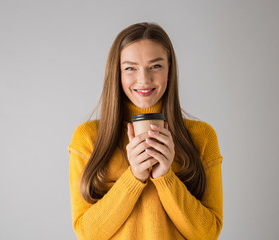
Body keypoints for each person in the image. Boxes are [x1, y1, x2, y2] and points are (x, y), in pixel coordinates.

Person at [68, 22, 223, 240]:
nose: (144, 79)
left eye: (156, 66)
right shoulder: (88, 138)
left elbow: (208, 234)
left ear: (170, 70)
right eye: (130, 68)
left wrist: (165, 177)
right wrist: (134, 177)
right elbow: (87, 233)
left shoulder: (202, 136)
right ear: (117, 73)